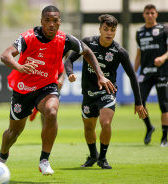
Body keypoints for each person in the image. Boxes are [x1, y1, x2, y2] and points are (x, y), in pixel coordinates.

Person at [0, 5, 116, 175]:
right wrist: (19, 66)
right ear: (41, 22)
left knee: (51, 112)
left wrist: (100, 75)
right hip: (23, 88)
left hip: (47, 86)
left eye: (55, 20)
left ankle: (44, 159)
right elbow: (5, 55)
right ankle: (2, 157)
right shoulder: (28, 37)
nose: (51, 24)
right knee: (14, 132)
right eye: (47, 20)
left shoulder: (65, 39)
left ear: (60, 22)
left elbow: (87, 51)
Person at [64, 14, 147, 169]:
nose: (109, 33)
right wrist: (70, 74)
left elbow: (132, 77)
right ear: (100, 29)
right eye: (106, 29)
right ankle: (93, 155)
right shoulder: (88, 43)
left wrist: (138, 102)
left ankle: (102, 158)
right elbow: (68, 60)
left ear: (115, 32)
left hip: (107, 92)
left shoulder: (119, 51)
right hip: (88, 94)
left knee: (105, 122)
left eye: (112, 30)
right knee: (89, 127)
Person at [134, 4, 168, 147]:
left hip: (162, 73)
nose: (149, 15)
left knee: (164, 104)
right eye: (147, 13)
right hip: (145, 73)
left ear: (156, 15)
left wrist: (163, 58)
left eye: (152, 13)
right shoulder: (139, 32)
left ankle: (164, 138)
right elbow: (138, 55)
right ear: (143, 14)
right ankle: (149, 127)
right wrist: (133, 73)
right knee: (139, 103)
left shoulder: (163, 29)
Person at [29, 53, 67, 124]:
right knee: (45, 110)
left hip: (55, 81)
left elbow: (67, 60)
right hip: (44, 78)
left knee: (50, 111)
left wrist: (62, 77)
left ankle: (36, 110)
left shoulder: (61, 46)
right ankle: (36, 109)